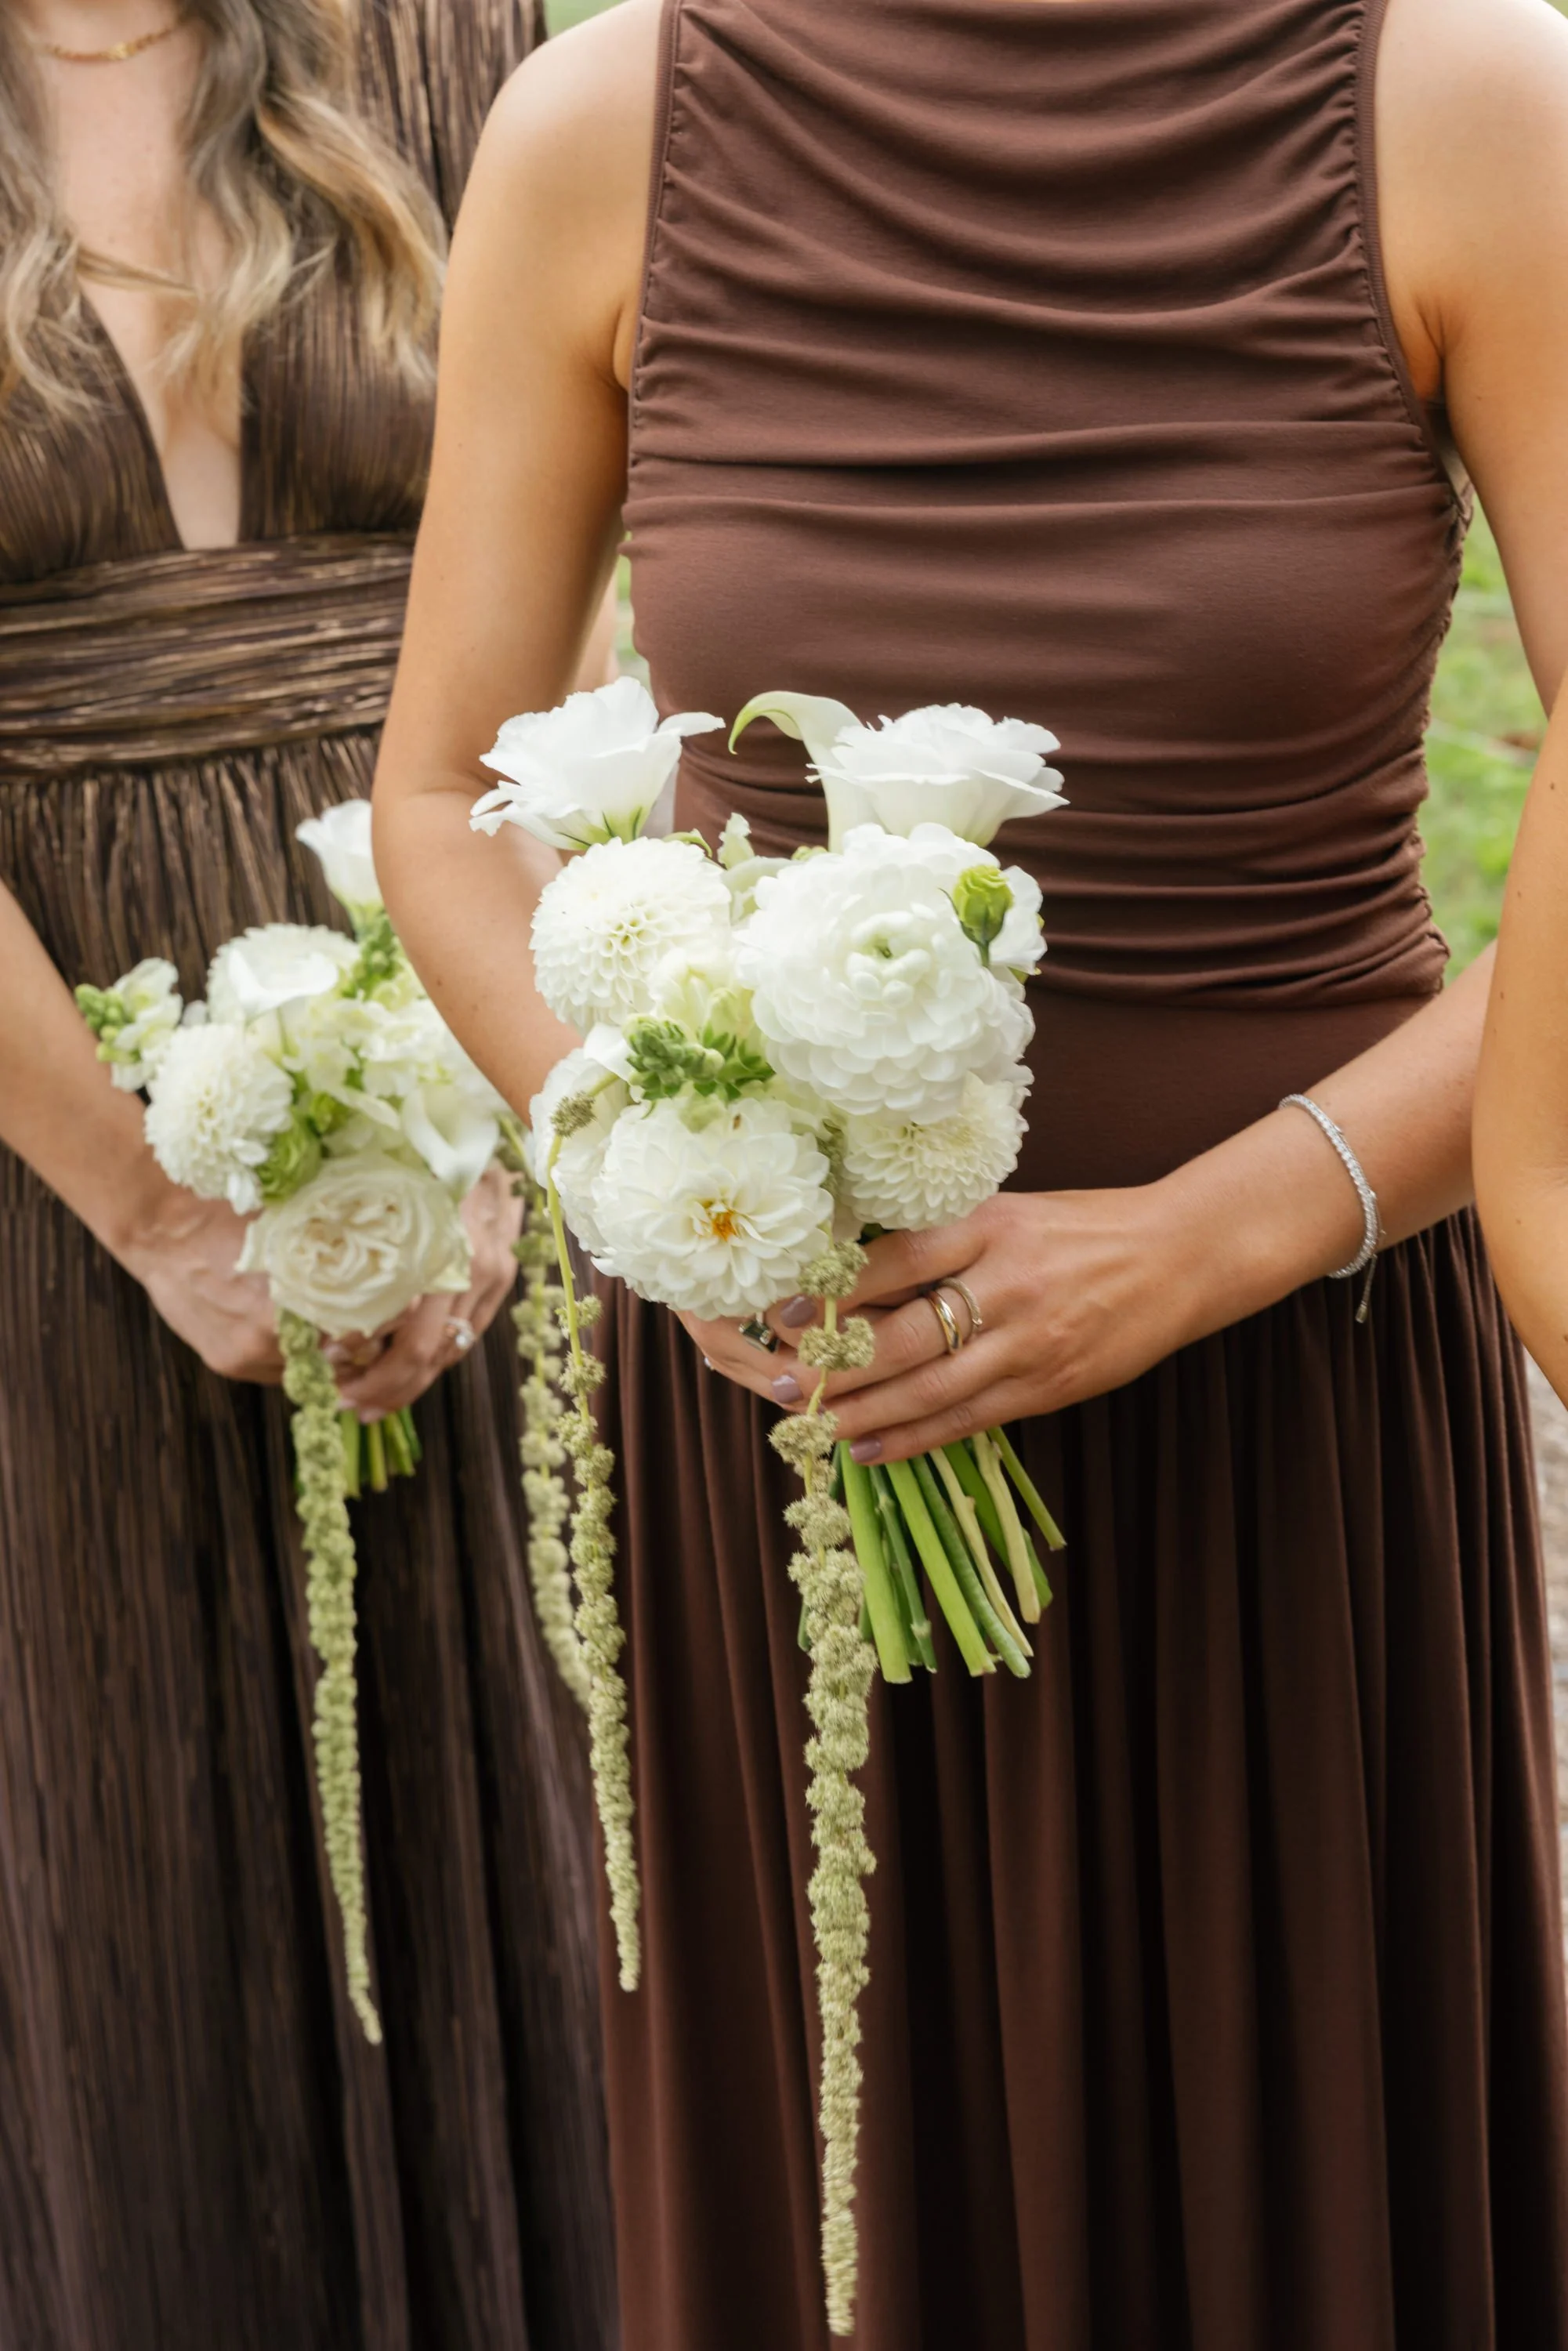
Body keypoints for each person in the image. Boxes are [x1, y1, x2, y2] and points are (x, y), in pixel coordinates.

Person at [374, 0, 1568, 2342]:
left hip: (1297, 1394)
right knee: (846, 2213)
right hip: (796, 1421)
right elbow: (443, 790)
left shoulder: (1462, 109)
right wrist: (647, 1163)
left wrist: (1221, 1236)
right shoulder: (604, 123)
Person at [0, 3, 617, 2346]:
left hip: (460, 1021)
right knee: (126, 1868)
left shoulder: (465, 49)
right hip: (48, 1122)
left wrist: (487, 1115)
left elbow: (558, 625)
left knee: (530, 1818)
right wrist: (147, 1212)